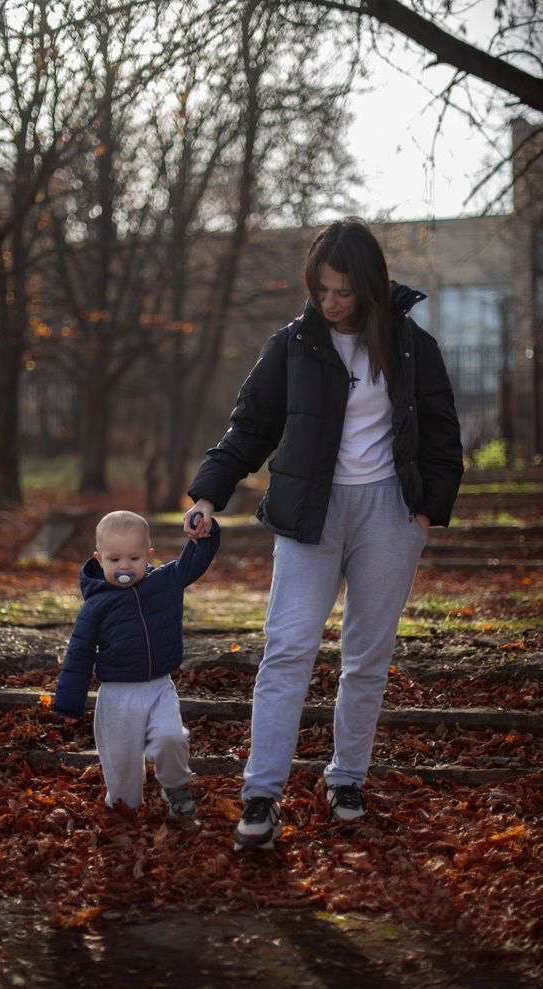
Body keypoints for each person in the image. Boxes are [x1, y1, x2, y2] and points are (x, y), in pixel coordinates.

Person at [183, 217, 463, 850]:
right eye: (320, 290)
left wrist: (423, 515)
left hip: (389, 516)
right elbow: (250, 426)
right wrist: (208, 492)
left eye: (342, 291)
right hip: (309, 514)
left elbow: (445, 438)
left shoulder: (413, 347)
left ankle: (347, 779)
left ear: (369, 286)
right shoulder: (293, 345)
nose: (331, 303)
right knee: (287, 649)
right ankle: (261, 793)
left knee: (366, 657)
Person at [54, 509, 220, 818]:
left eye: (133, 558)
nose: (124, 566)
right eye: (114, 559)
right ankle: (124, 806)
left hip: (159, 686)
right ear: (99, 559)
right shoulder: (97, 605)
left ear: (148, 555)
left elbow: (192, 563)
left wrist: (204, 533)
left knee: (171, 737)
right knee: (121, 759)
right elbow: (79, 653)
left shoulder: (163, 583)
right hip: (117, 694)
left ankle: (176, 787)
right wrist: (69, 702)